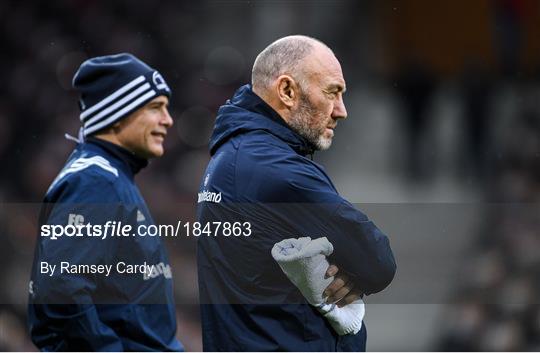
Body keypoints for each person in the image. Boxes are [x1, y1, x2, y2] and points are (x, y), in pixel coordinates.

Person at [196, 35, 396, 351]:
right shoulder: (275, 169)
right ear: (287, 91)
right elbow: (379, 263)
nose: (341, 111)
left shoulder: (234, 156)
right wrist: (351, 273)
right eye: (332, 93)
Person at [27, 53, 183, 351]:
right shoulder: (95, 181)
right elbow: (61, 288)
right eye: (156, 108)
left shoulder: (110, 178)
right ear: (118, 114)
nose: (168, 120)